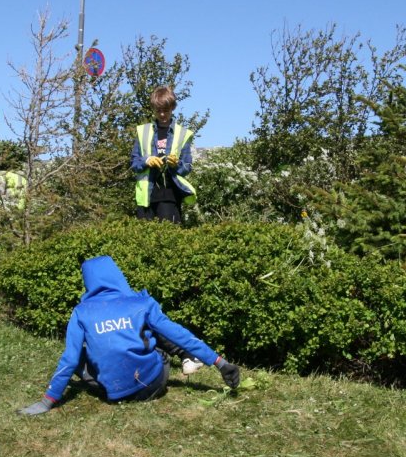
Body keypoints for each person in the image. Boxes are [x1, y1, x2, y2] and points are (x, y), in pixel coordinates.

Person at [18, 255, 241, 415]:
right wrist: (220, 363)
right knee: (154, 329)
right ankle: (185, 358)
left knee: (79, 356)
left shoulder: (81, 312)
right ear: (117, 275)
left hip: (113, 393)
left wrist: (47, 402)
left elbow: (70, 359)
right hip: (152, 386)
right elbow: (179, 334)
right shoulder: (141, 302)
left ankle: (110, 381)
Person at [131, 86, 196, 224]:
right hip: (146, 198)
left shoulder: (182, 133)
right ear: (153, 109)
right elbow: (134, 163)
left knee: (169, 239)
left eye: (165, 110)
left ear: (172, 108)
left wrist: (175, 164)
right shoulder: (143, 131)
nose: (162, 114)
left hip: (170, 196)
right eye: (158, 110)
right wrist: (147, 161)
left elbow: (187, 167)